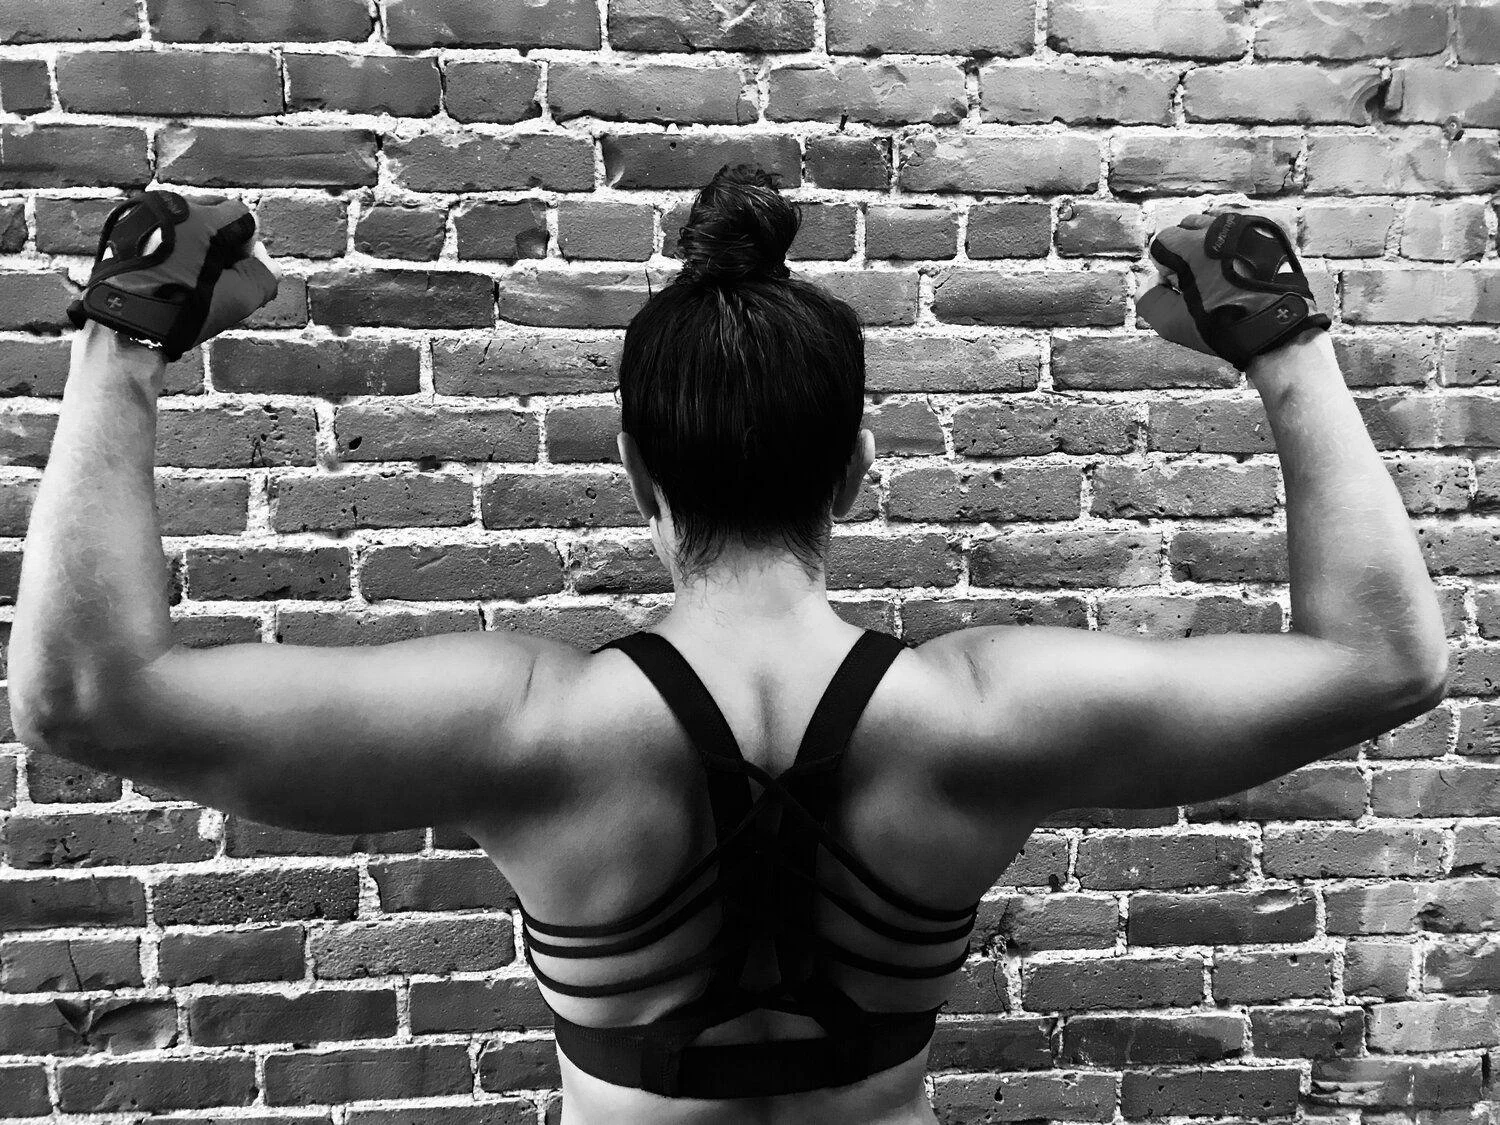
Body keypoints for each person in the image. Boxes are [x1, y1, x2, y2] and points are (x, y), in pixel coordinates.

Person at [9, 165, 1450, 1125]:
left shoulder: (531, 725)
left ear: (639, 470)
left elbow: (84, 698)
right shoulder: (983, 713)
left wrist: (124, 339)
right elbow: (1386, 659)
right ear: (857, 469)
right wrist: (1283, 344)